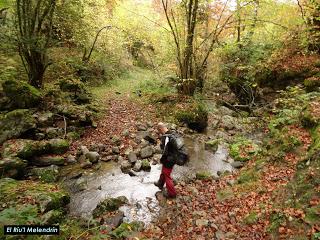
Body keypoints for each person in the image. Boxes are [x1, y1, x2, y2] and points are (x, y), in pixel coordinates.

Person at [154, 122, 177, 198]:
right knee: (164, 171)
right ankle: (160, 183)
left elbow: (164, 151)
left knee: (167, 175)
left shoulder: (166, 137)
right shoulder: (172, 133)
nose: (159, 133)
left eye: (159, 131)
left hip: (169, 159)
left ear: (160, 129)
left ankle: (172, 193)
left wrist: (162, 159)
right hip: (174, 157)